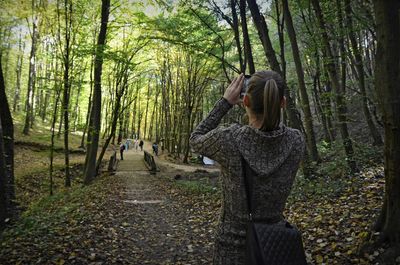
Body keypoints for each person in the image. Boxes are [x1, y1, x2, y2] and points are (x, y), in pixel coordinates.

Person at [189, 71, 305, 264]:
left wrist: (225, 102)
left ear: (245, 102)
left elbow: (195, 139)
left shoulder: (229, 139)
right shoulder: (296, 141)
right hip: (274, 247)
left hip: (231, 248)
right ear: (283, 103)